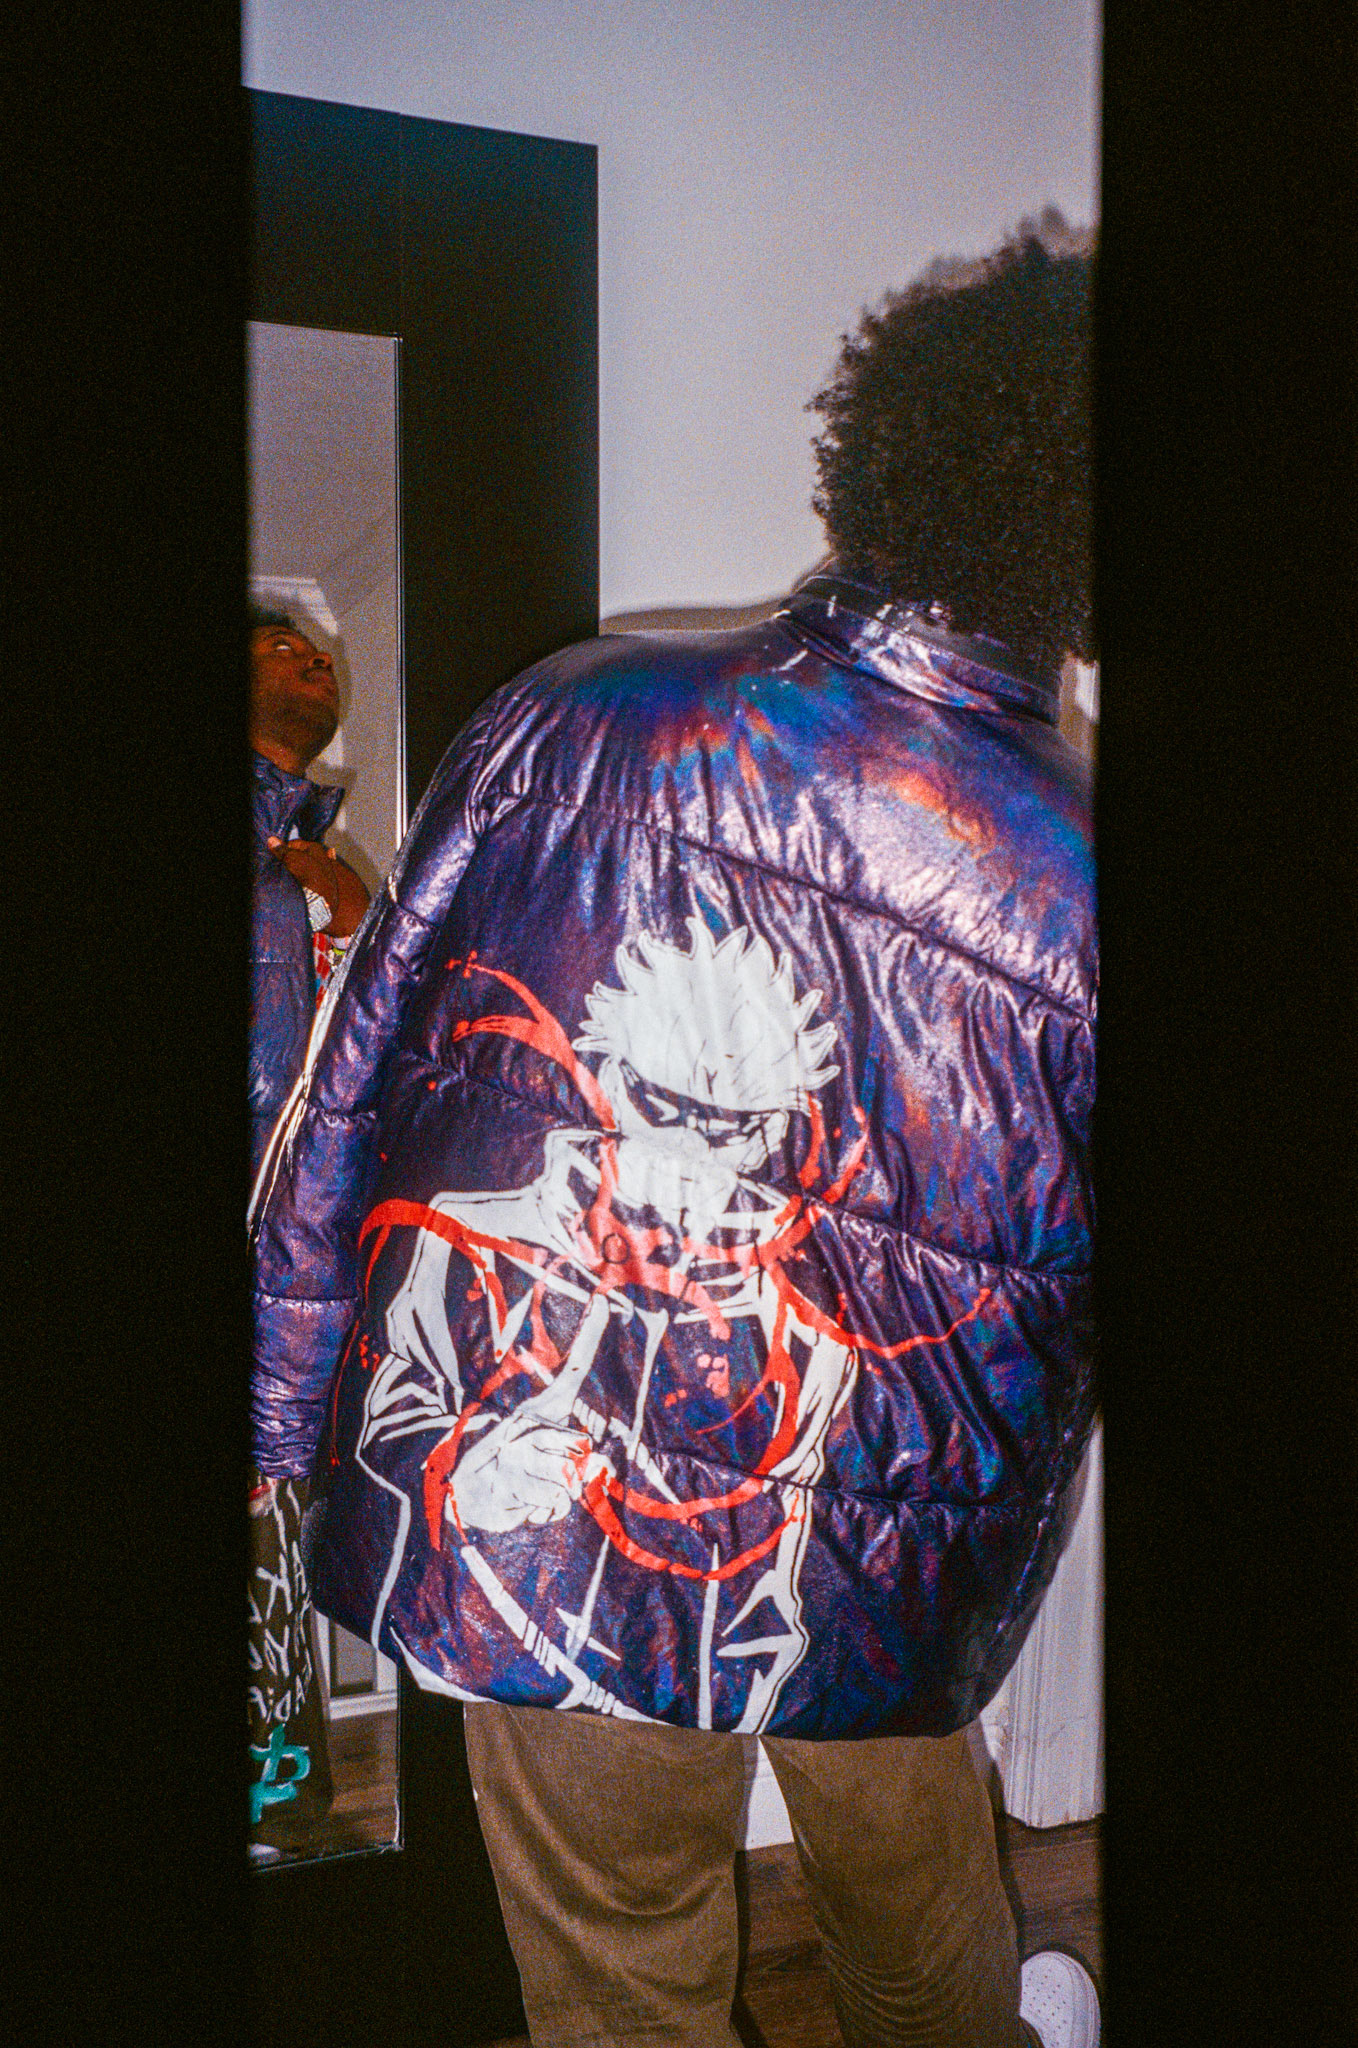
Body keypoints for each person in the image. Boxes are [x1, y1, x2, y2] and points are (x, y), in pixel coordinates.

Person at [250, 221, 1099, 2045]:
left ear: (881, 459)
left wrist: (273, 1409)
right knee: (921, 1942)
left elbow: (345, 1093)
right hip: (887, 1550)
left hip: (540, 1564)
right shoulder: (1080, 865)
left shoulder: (574, 714)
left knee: (618, 1971)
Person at [248, 603, 369, 1855]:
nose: (312, 656)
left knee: (283, 1511)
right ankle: (273, 1803)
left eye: (316, 649)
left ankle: (282, 1799)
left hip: (318, 1241)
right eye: (279, 646)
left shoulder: (323, 850)